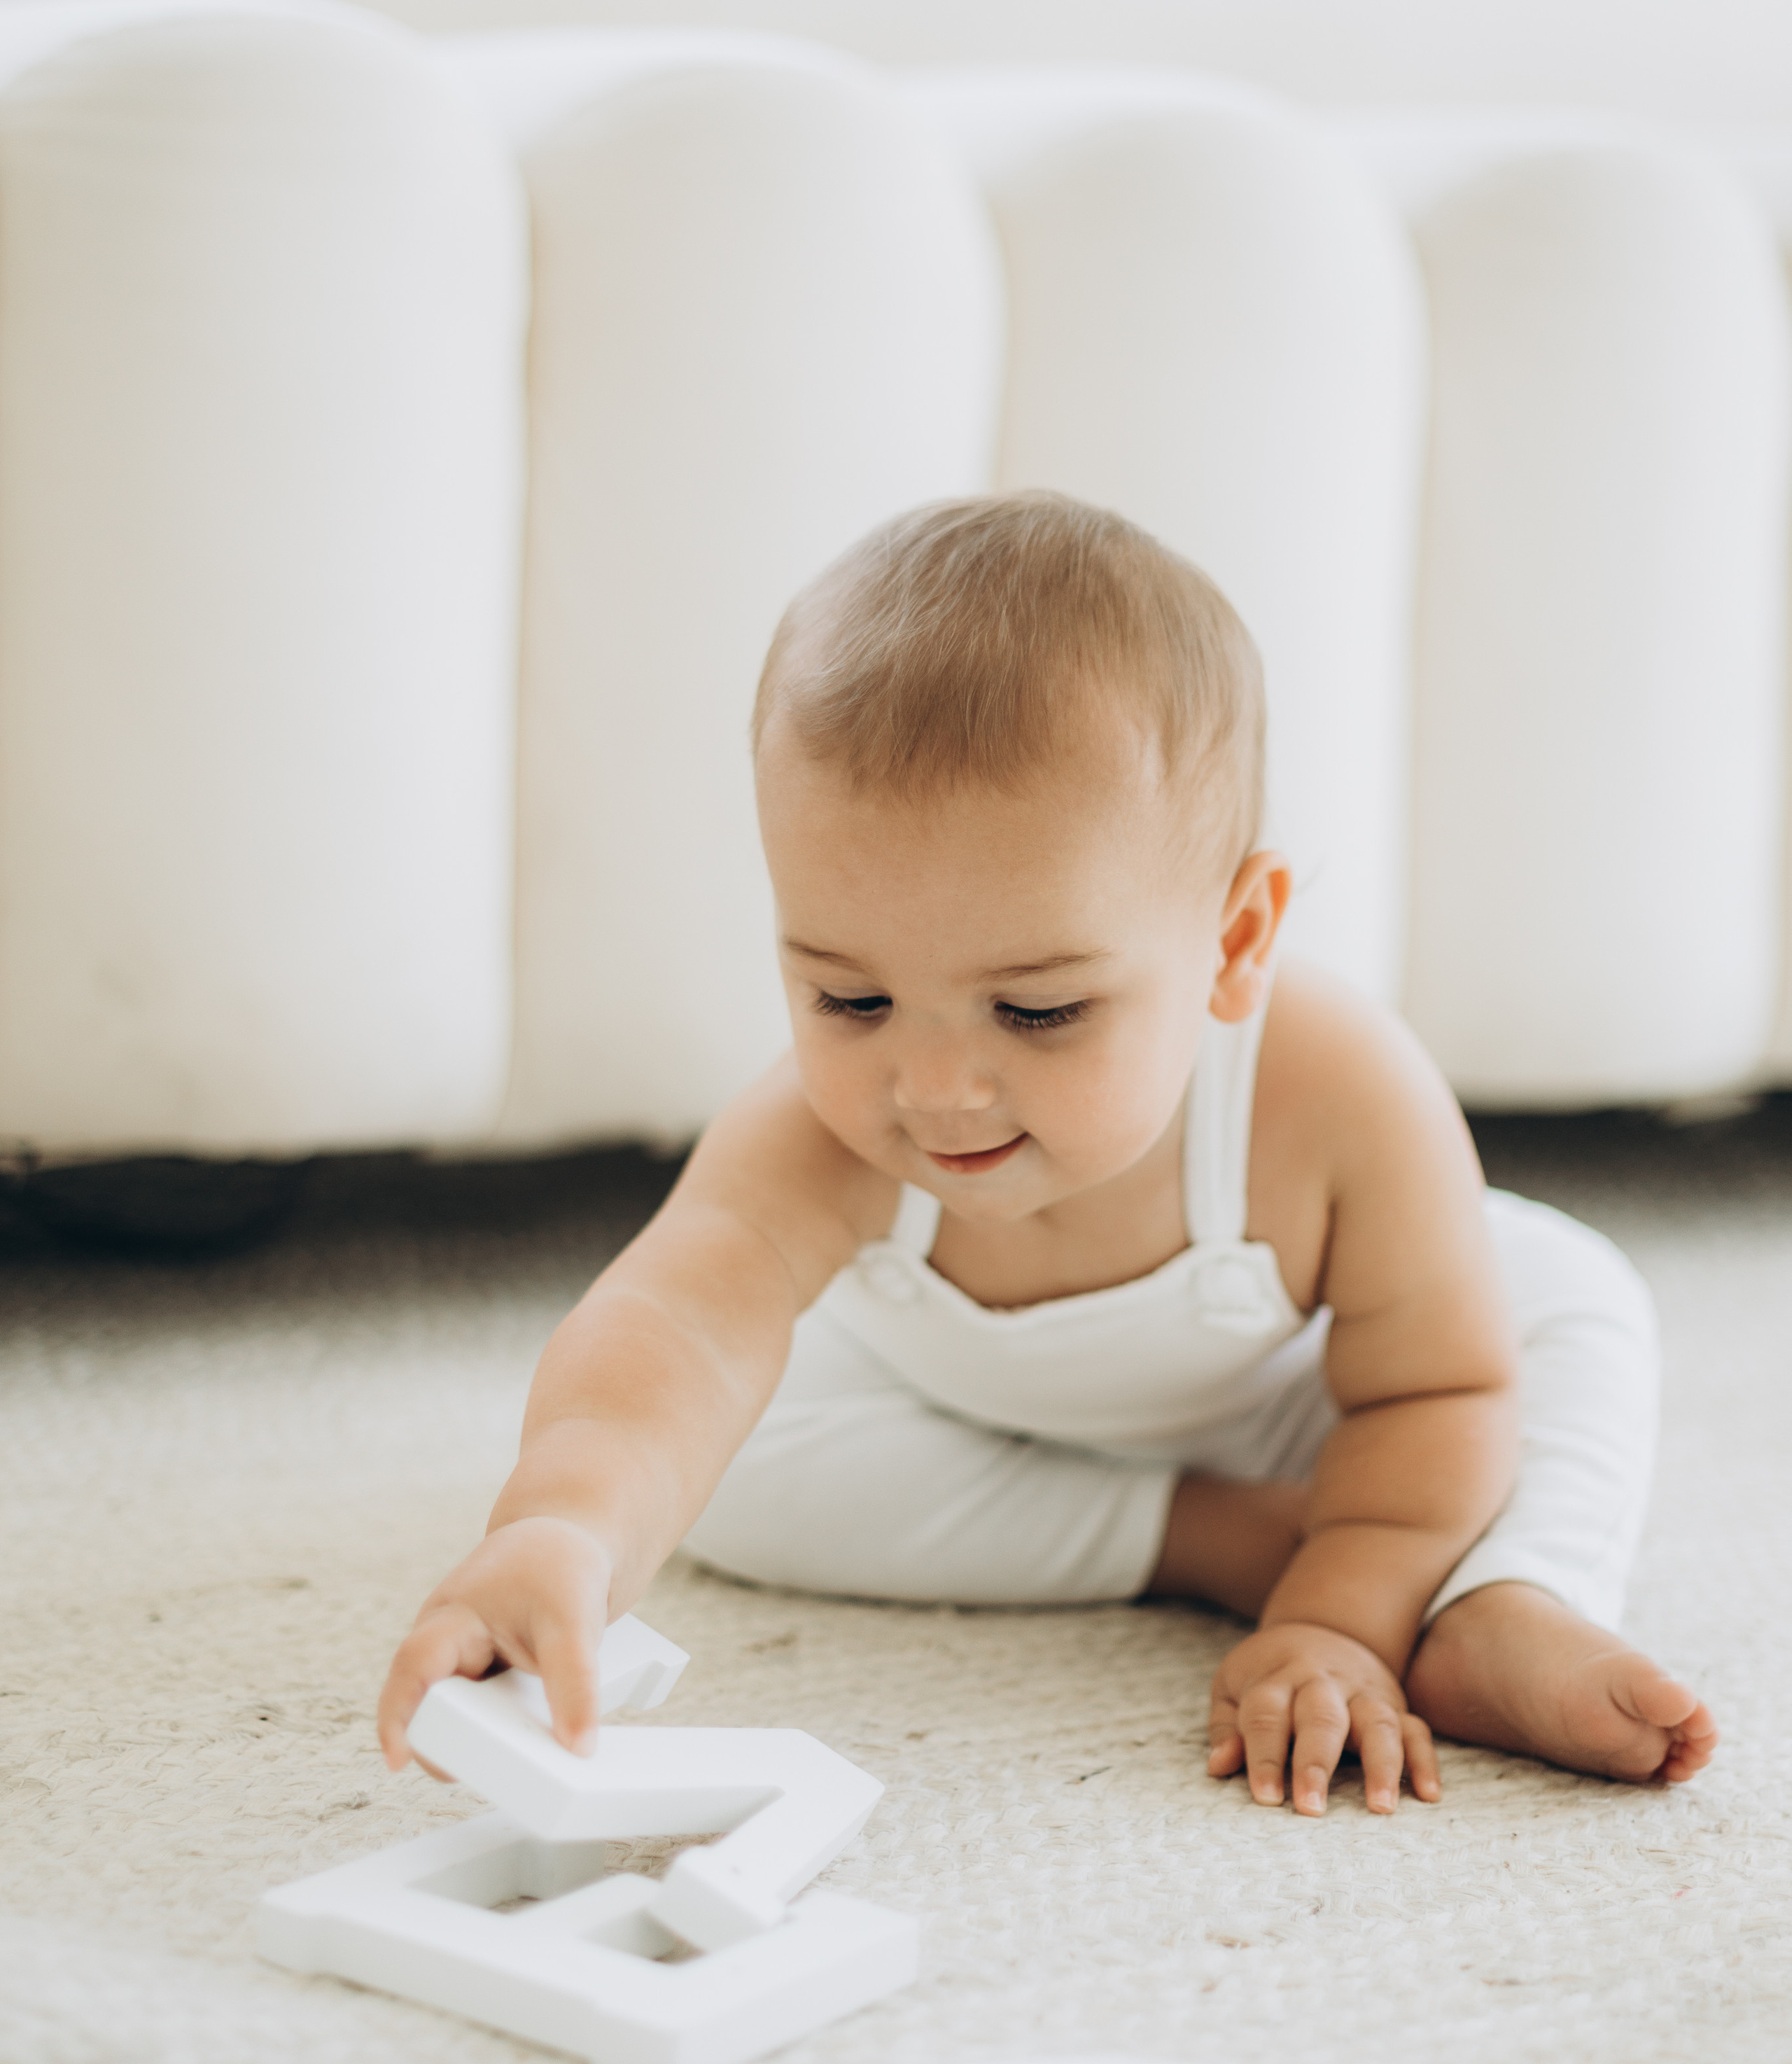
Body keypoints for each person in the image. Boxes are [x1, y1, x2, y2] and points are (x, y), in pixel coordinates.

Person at [379, 492, 1716, 1815]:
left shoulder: (1339, 1099)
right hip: (952, 1406)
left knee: (1573, 1310)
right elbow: (671, 1324)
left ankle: (1500, 1596)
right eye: (851, 999)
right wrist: (559, 1528)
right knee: (739, 1479)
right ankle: (1226, 1541)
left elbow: (1436, 1394)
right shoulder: (814, 1133)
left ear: (1235, 942)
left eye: (1038, 1011)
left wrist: (1341, 1619)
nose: (937, 1088)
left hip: (1308, 1400)